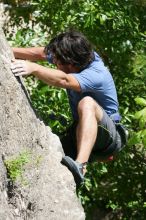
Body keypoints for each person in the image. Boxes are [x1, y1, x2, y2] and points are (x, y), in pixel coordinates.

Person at [11, 30, 127, 187]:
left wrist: (34, 68)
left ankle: (81, 166)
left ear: (71, 64)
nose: (55, 63)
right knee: (43, 157)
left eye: (58, 62)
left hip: (109, 138)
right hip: (81, 131)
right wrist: (8, 50)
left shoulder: (96, 73)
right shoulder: (75, 57)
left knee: (87, 103)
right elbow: (41, 53)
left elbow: (65, 80)